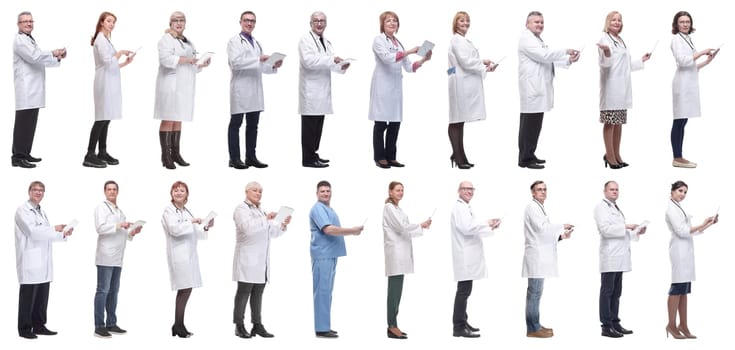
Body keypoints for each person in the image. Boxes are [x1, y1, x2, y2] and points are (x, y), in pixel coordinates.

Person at [368, 11, 432, 168]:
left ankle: (391, 156)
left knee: (395, 123)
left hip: (395, 88)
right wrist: (410, 51)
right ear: (382, 24)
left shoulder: (398, 43)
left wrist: (424, 59)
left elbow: (409, 67)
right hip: (382, 86)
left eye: (395, 21)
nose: (392, 23)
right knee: (381, 123)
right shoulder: (378, 40)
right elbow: (387, 58)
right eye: (388, 20)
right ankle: (379, 157)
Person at [517, 11, 579, 169]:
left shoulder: (537, 39)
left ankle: (530, 154)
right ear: (527, 24)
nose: (539, 24)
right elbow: (544, 56)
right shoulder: (526, 38)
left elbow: (546, 60)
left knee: (535, 125)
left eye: (541, 22)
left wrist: (568, 60)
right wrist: (565, 51)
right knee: (529, 125)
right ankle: (525, 159)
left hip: (538, 88)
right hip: (532, 89)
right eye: (536, 22)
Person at [232, 182, 291, 339]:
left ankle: (257, 325)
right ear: (246, 191)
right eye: (255, 190)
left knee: (258, 293)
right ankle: (239, 325)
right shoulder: (241, 209)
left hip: (261, 261)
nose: (258, 193)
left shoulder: (261, 210)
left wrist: (283, 225)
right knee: (244, 292)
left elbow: (271, 232)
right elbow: (247, 228)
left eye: (260, 191)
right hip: (247, 259)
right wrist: (266, 218)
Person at [15, 181, 73, 339]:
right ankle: (25, 329)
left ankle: (39, 325)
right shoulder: (22, 211)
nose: (38, 193)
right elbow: (33, 232)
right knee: (28, 297)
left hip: (43, 261)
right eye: (35, 190)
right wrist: (55, 228)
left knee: (42, 296)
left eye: (41, 190)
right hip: (30, 261)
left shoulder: (41, 211)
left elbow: (46, 233)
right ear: (29, 192)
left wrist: (62, 234)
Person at [154, 11, 211, 170]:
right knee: (168, 118)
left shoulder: (187, 41)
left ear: (185, 23)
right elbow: (166, 60)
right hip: (170, 84)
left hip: (184, 84)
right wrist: (189, 60)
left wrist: (200, 64)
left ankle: (176, 154)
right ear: (170, 23)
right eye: (175, 20)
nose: (179, 23)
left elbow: (190, 65)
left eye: (182, 20)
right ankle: (165, 156)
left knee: (178, 118)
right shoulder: (166, 40)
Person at [227, 11, 282, 169]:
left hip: (255, 90)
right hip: (240, 89)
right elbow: (235, 63)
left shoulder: (256, 43)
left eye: (252, 21)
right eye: (246, 20)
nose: (249, 23)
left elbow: (262, 67)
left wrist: (273, 65)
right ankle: (234, 158)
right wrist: (259, 59)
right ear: (240, 22)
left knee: (253, 125)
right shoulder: (234, 42)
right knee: (236, 124)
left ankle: (250, 157)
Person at [12, 11, 67, 168]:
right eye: (25, 22)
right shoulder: (20, 41)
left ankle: (25, 153)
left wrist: (57, 58)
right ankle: (17, 157)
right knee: (23, 123)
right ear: (19, 25)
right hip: (26, 89)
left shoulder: (29, 40)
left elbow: (38, 60)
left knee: (30, 123)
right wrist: (53, 52)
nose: (29, 24)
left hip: (33, 90)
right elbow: (35, 57)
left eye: (31, 21)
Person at [309, 180, 363, 338]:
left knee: (327, 292)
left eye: (328, 191)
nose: (326, 193)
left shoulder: (328, 208)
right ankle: (321, 328)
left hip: (331, 254)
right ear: (317, 193)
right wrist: (352, 231)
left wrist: (352, 231)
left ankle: (325, 325)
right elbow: (329, 229)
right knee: (322, 291)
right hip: (322, 255)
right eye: (322, 191)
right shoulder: (317, 209)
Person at [664, 180, 718, 339]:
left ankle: (684, 325)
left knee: (684, 291)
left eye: (685, 192)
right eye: (680, 191)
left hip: (686, 251)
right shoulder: (670, 209)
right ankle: (671, 325)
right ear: (672, 191)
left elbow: (689, 232)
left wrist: (708, 224)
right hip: (679, 252)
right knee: (677, 288)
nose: (683, 194)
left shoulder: (679, 208)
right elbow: (682, 231)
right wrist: (701, 224)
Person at [597, 11, 651, 169]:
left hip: (623, 88)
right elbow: (605, 65)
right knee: (610, 122)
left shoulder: (620, 40)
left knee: (618, 122)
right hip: (611, 88)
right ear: (608, 22)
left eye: (619, 20)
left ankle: (617, 154)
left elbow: (625, 65)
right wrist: (606, 53)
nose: (617, 22)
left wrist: (641, 60)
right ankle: (609, 155)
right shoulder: (604, 39)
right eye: (613, 20)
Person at [593, 181, 646, 338]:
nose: (615, 192)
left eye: (617, 189)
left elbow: (621, 232)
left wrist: (636, 231)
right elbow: (605, 230)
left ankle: (615, 322)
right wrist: (626, 226)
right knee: (607, 291)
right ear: (604, 191)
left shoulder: (615, 207)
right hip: (610, 256)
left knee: (616, 292)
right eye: (611, 189)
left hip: (619, 256)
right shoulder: (601, 208)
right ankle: (606, 326)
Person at [83, 12, 135, 168]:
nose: (112, 24)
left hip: (110, 80)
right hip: (103, 82)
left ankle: (102, 152)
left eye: (114, 22)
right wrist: (120, 53)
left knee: (107, 117)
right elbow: (106, 62)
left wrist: (125, 63)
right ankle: (89, 155)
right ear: (101, 23)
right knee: (101, 118)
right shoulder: (100, 39)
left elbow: (112, 65)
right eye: (109, 21)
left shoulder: (106, 40)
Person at [162, 181, 214, 338]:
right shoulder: (168, 211)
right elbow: (174, 230)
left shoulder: (186, 211)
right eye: (175, 190)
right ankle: (178, 325)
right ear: (171, 193)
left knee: (186, 289)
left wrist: (205, 226)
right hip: (178, 255)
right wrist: (191, 222)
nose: (178, 192)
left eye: (182, 190)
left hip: (189, 255)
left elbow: (196, 233)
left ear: (187, 195)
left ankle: (178, 325)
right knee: (184, 290)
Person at [298, 11, 350, 168]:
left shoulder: (325, 41)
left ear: (326, 24)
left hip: (322, 90)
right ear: (311, 24)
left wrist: (341, 66)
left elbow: (328, 63)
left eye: (322, 21)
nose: (319, 23)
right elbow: (308, 61)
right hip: (311, 90)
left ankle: (314, 154)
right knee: (309, 126)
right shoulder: (305, 40)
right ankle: (307, 159)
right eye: (316, 21)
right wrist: (331, 59)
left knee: (318, 125)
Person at [522, 180, 573, 337]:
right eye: (539, 189)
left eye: (545, 189)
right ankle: (532, 329)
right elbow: (541, 228)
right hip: (536, 257)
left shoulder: (540, 208)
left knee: (537, 293)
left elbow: (543, 235)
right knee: (534, 293)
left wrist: (562, 237)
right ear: (533, 192)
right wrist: (561, 225)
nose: (543, 192)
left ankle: (536, 324)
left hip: (541, 257)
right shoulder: (532, 207)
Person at [92, 180, 142, 338]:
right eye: (109, 189)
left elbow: (123, 233)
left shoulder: (119, 211)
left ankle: (111, 323)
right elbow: (100, 228)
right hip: (106, 256)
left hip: (118, 258)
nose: (112, 192)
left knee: (114, 291)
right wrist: (120, 225)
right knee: (102, 291)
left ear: (117, 192)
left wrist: (132, 232)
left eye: (114, 189)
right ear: (105, 191)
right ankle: (99, 326)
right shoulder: (101, 208)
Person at [450, 181, 500, 338]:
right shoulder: (459, 207)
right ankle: (458, 327)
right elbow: (467, 228)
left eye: (471, 189)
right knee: (463, 291)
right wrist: (487, 223)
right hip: (465, 256)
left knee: (466, 291)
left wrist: (490, 227)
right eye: (465, 188)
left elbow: (472, 228)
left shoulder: (465, 207)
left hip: (468, 256)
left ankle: (463, 322)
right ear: (458, 190)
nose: (469, 191)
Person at [448, 12, 497, 169]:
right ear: (455, 23)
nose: (465, 23)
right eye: (462, 20)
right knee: (456, 120)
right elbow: (466, 62)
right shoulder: (456, 40)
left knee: (459, 119)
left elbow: (466, 59)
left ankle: (459, 155)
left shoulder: (463, 40)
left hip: (461, 81)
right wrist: (484, 67)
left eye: (467, 20)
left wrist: (483, 61)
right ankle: (458, 156)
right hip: (460, 83)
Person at [382, 181, 431, 339]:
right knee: (394, 291)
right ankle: (391, 325)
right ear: (390, 192)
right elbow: (401, 227)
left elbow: (405, 227)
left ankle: (394, 324)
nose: (400, 193)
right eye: (397, 190)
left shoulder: (397, 209)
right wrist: (420, 225)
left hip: (401, 254)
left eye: (402, 190)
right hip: (396, 254)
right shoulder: (389, 208)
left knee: (397, 291)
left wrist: (420, 227)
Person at [670, 11, 718, 168]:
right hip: (682, 84)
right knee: (679, 121)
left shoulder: (687, 38)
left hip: (688, 83)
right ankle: (677, 157)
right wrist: (702, 52)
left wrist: (707, 62)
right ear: (676, 24)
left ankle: (680, 156)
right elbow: (683, 61)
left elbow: (691, 66)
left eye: (687, 22)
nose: (685, 24)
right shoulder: (676, 39)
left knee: (683, 121)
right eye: (682, 22)